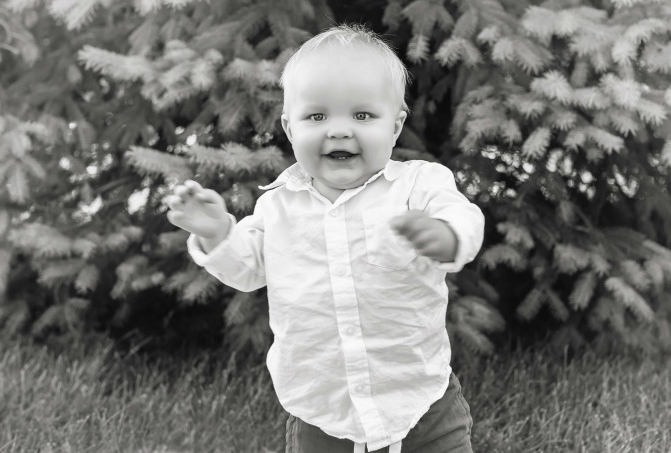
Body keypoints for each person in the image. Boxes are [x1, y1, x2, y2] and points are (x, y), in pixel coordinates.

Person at [166, 24, 484, 453]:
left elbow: (462, 215)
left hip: (421, 406)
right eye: (317, 117)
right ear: (289, 127)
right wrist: (216, 232)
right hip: (323, 417)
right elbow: (247, 269)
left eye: (362, 115)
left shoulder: (418, 187)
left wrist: (447, 236)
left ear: (395, 125)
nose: (338, 131)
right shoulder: (278, 207)